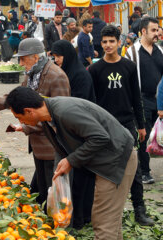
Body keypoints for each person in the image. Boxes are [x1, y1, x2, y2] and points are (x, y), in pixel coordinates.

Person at [4, 86, 137, 240]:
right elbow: (62, 147)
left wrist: (71, 160)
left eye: (18, 117)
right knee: (110, 223)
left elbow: (100, 137)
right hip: (107, 159)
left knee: (103, 222)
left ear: (29, 111)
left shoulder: (65, 112)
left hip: (117, 159)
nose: (21, 122)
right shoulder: (48, 116)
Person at [0, 38, 70, 207]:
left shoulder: (56, 76)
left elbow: (59, 116)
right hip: (39, 146)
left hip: (52, 145)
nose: (21, 63)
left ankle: (60, 227)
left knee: (55, 193)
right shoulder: (33, 75)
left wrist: (26, 126)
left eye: (23, 59)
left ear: (36, 57)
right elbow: (14, 97)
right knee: (43, 191)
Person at [89, 25, 154, 226]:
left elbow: (136, 97)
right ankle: (103, 212)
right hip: (103, 126)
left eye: (112, 41)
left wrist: (141, 126)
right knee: (102, 168)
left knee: (133, 168)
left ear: (119, 43)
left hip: (126, 124)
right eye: (105, 42)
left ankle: (139, 210)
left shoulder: (128, 67)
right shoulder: (94, 69)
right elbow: (92, 101)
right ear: (101, 44)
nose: (108, 45)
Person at [51, 39, 96, 229]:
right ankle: (75, 216)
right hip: (71, 132)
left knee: (83, 177)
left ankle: (83, 217)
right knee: (75, 177)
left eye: (59, 56)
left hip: (83, 132)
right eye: (54, 56)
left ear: (67, 55)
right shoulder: (64, 74)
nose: (56, 60)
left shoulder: (80, 76)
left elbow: (80, 105)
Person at [125, 17, 163, 184]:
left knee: (161, 135)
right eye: (153, 30)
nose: (157, 34)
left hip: (159, 100)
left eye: (158, 30)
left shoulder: (160, 51)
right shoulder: (132, 52)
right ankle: (145, 171)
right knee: (144, 134)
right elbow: (128, 79)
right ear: (143, 31)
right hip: (141, 99)